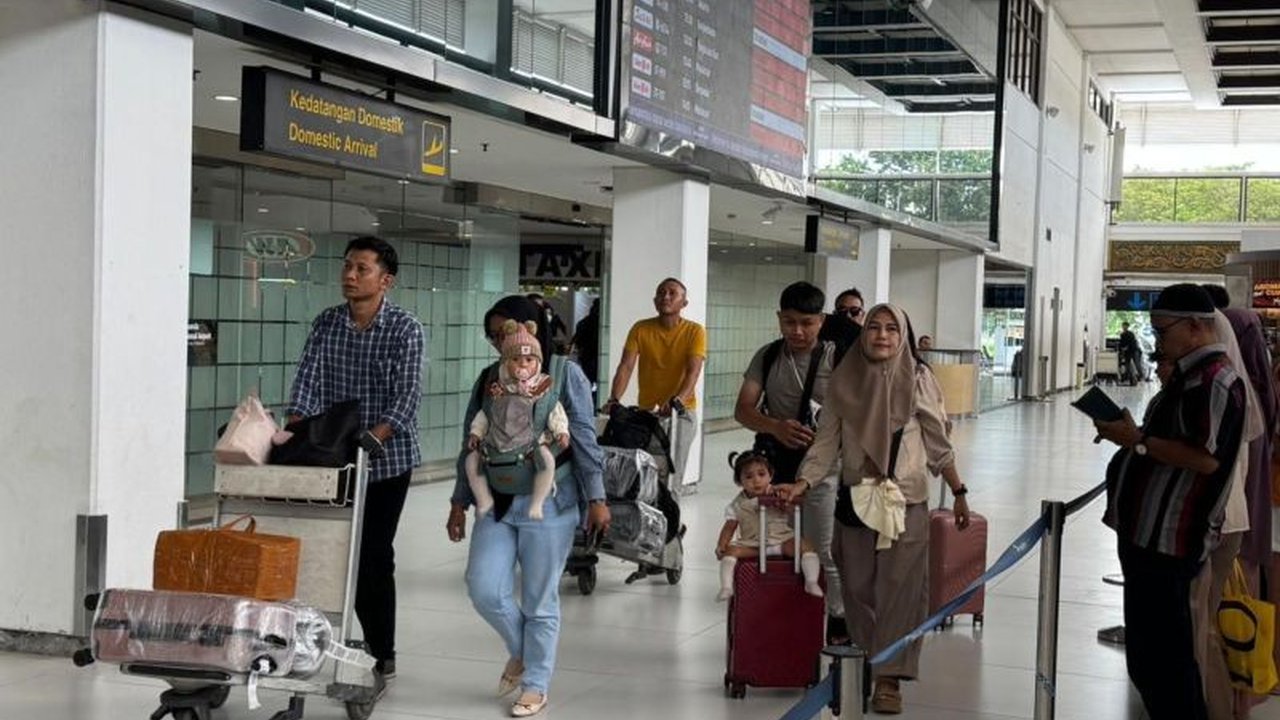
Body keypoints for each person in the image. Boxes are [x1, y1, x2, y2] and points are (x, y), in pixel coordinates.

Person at [780, 303, 972, 715]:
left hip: (905, 501)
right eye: (874, 328)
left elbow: (938, 441)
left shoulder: (919, 379)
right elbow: (826, 441)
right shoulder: (844, 380)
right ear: (863, 333)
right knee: (857, 587)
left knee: (900, 591)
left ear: (902, 337)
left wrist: (958, 490)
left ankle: (889, 678)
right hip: (856, 499)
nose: (881, 336)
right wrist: (804, 481)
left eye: (891, 329)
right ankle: (871, 654)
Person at [446, 295, 610, 718]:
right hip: (495, 500)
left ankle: (535, 683)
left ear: (529, 330)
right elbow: (472, 437)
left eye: (504, 332)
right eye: (494, 335)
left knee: (539, 600)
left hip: (551, 502)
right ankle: (523, 652)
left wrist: (597, 498)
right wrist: (459, 500)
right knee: (483, 586)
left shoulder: (564, 373)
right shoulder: (489, 378)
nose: (499, 342)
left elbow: (585, 438)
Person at [1094, 284, 1247, 720]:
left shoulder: (1215, 381)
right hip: (1146, 537)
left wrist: (1138, 441)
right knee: (1148, 659)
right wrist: (1133, 435)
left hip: (1171, 541)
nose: (1157, 341)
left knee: (1170, 664)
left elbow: (1205, 459)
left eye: (1162, 332)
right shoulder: (1186, 377)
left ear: (1195, 327)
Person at [286, 236, 423, 693]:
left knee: (372, 557)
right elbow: (307, 378)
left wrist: (376, 434)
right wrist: (298, 426)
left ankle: (382, 652)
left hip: (386, 461)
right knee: (326, 549)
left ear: (385, 280)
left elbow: (407, 397)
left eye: (361, 269)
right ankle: (319, 638)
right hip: (332, 457)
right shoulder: (328, 323)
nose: (350, 275)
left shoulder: (405, 328)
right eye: (347, 266)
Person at [733, 281, 846, 642]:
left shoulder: (837, 359)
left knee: (822, 549)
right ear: (779, 319)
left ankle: (838, 623)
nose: (797, 331)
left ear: (822, 320)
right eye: (789, 322)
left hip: (823, 470)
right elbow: (743, 409)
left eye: (807, 323)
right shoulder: (767, 357)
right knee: (776, 547)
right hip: (777, 470)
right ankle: (785, 623)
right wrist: (775, 427)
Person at [464, 319, 570, 521]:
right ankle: (484, 499)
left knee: (547, 461)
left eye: (529, 359)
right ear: (505, 363)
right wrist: (475, 433)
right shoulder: (497, 389)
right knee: (471, 461)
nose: (523, 364)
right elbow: (485, 415)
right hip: (497, 444)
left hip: (530, 446)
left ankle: (537, 502)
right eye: (516, 359)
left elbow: (555, 412)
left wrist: (561, 432)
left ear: (537, 363)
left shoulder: (542, 389)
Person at [605, 277, 707, 488]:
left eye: (672, 293)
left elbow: (693, 372)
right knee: (645, 473)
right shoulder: (641, 329)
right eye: (661, 293)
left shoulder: (694, 331)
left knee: (671, 475)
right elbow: (626, 366)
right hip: (647, 413)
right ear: (654, 300)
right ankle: (649, 519)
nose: (665, 297)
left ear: (684, 303)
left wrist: (677, 401)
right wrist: (614, 399)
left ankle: (671, 519)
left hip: (681, 413)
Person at [715, 451, 824, 601]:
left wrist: (785, 502)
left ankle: (811, 581)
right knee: (731, 550)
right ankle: (726, 587)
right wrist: (721, 545)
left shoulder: (778, 493)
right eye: (749, 477)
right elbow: (729, 527)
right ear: (739, 482)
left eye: (761, 474)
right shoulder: (736, 505)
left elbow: (796, 507)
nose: (756, 481)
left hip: (782, 541)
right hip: (753, 545)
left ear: (770, 475)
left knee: (806, 546)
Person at [571, 298, 601, 403]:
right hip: (597, 357)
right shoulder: (604, 323)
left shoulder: (583, 322)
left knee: (587, 383)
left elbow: (577, 340)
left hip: (586, 357)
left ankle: (587, 403)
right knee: (601, 384)